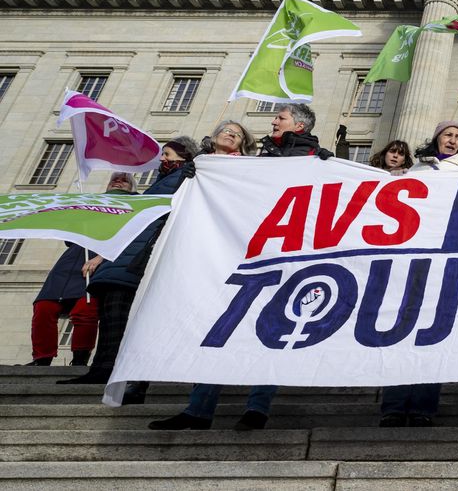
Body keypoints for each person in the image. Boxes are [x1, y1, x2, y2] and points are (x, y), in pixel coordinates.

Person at [150, 105, 332, 432]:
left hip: (288, 254)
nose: (273, 121)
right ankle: (198, 409)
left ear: (299, 126)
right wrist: (198, 177)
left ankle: (257, 408)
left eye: (281, 118)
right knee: (221, 326)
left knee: (273, 329)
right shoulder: (262, 155)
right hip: (244, 251)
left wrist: (331, 167)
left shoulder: (316, 159)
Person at [61, 139, 198, 393]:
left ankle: (109, 370)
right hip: (123, 260)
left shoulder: (184, 178)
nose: (162, 159)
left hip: (135, 262)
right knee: (111, 320)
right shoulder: (159, 183)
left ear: (183, 157)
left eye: (167, 154)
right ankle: (102, 369)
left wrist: (195, 171)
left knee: (118, 320)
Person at [378, 121, 458, 427]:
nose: (453, 139)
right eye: (448, 134)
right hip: (411, 258)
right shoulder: (418, 169)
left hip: (445, 259)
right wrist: (394, 179)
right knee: (399, 330)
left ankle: (424, 406)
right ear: (437, 138)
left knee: (433, 332)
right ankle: (394, 406)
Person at [23, 175, 132, 366]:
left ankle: (80, 360)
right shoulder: (91, 204)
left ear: (131, 188)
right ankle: (42, 358)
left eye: (124, 180)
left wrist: (101, 258)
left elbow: (131, 238)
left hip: (99, 264)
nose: (118, 181)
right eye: (114, 179)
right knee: (44, 307)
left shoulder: (133, 207)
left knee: (85, 309)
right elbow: (69, 238)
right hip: (69, 263)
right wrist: (79, 215)